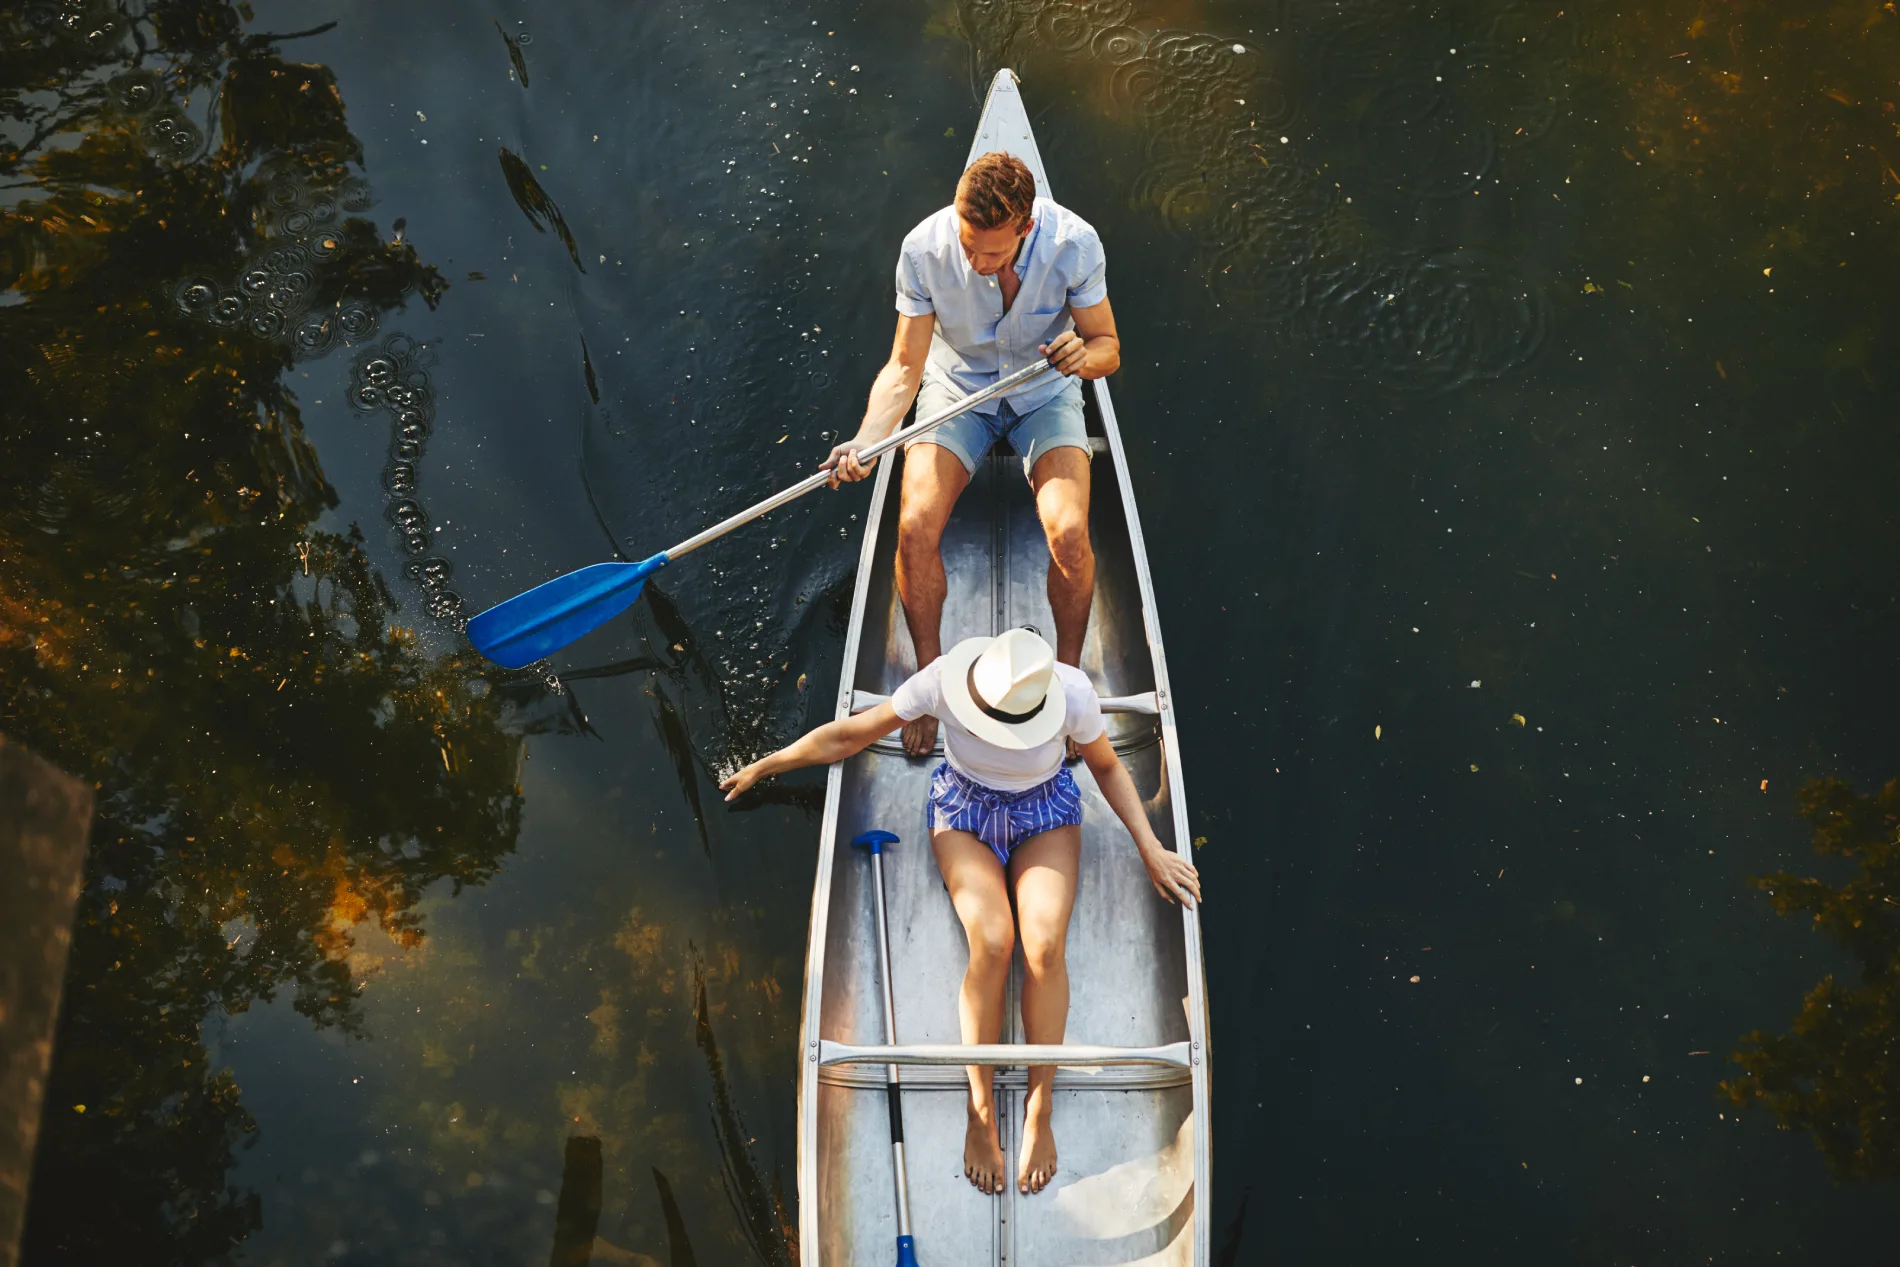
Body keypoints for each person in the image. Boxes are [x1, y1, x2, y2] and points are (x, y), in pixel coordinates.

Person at [719, 628, 1199, 1197]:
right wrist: (769, 766)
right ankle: (981, 1111)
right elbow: (851, 734)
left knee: (1043, 947)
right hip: (964, 811)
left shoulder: (1071, 693)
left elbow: (1108, 767)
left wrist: (1151, 847)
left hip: (1045, 809)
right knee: (993, 941)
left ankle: (1040, 1107)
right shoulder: (942, 679)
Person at [821, 152, 1121, 757]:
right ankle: (930, 685)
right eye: (968, 246)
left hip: (1045, 393)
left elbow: (1107, 349)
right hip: (957, 393)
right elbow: (905, 367)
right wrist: (867, 439)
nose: (977, 263)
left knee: (1067, 534)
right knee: (912, 528)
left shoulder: (1076, 243)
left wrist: (1079, 358)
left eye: (993, 253)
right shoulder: (923, 249)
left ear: (1026, 229)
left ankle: (1067, 688)